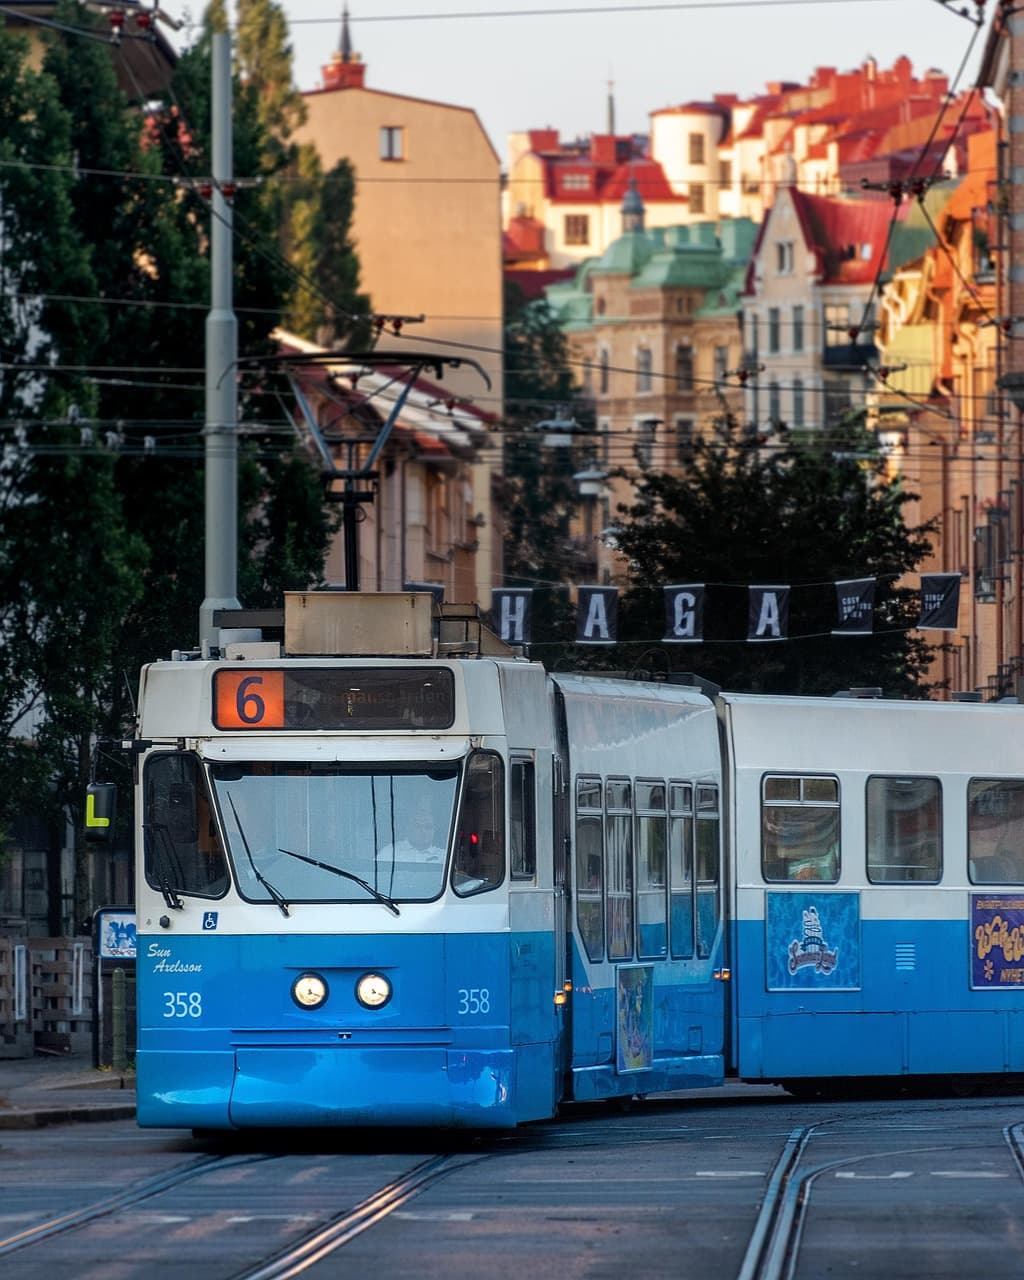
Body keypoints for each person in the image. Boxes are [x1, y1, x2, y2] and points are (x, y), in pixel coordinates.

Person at [381, 805, 446, 863]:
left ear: (434, 830)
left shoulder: (444, 857)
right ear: (408, 828)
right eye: (418, 826)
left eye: (428, 827)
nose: (423, 831)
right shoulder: (391, 852)